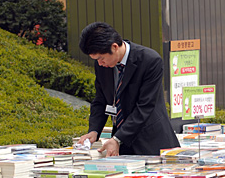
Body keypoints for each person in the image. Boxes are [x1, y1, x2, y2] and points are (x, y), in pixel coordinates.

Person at [77, 22, 180, 156]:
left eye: (101, 58)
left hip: (151, 143)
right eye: (96, 60)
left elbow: (145, 106)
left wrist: (117, 139)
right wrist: (94, 131)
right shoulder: (102, 66)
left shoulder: (150, 61)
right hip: (120, 144)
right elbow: (100, 100)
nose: (99, 63)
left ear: (114, 47)